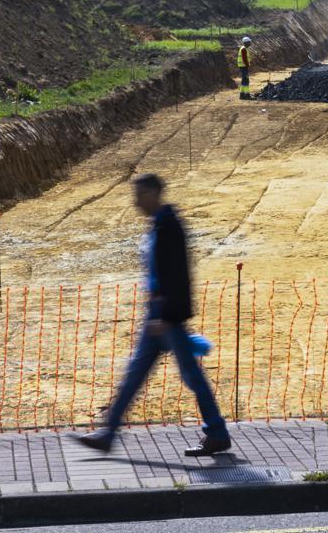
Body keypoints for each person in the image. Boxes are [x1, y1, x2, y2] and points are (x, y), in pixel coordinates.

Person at [72, 174, 231, 456]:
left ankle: (217, 433)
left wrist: (165, 316)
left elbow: (177, 275)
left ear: (156, 193)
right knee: (137, 375)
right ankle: (108, 434)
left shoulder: (169, 226)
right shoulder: (159, 225)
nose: (136, 202)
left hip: (165, 317)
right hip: (158, 315)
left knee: (190, 376)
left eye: (141, 194)